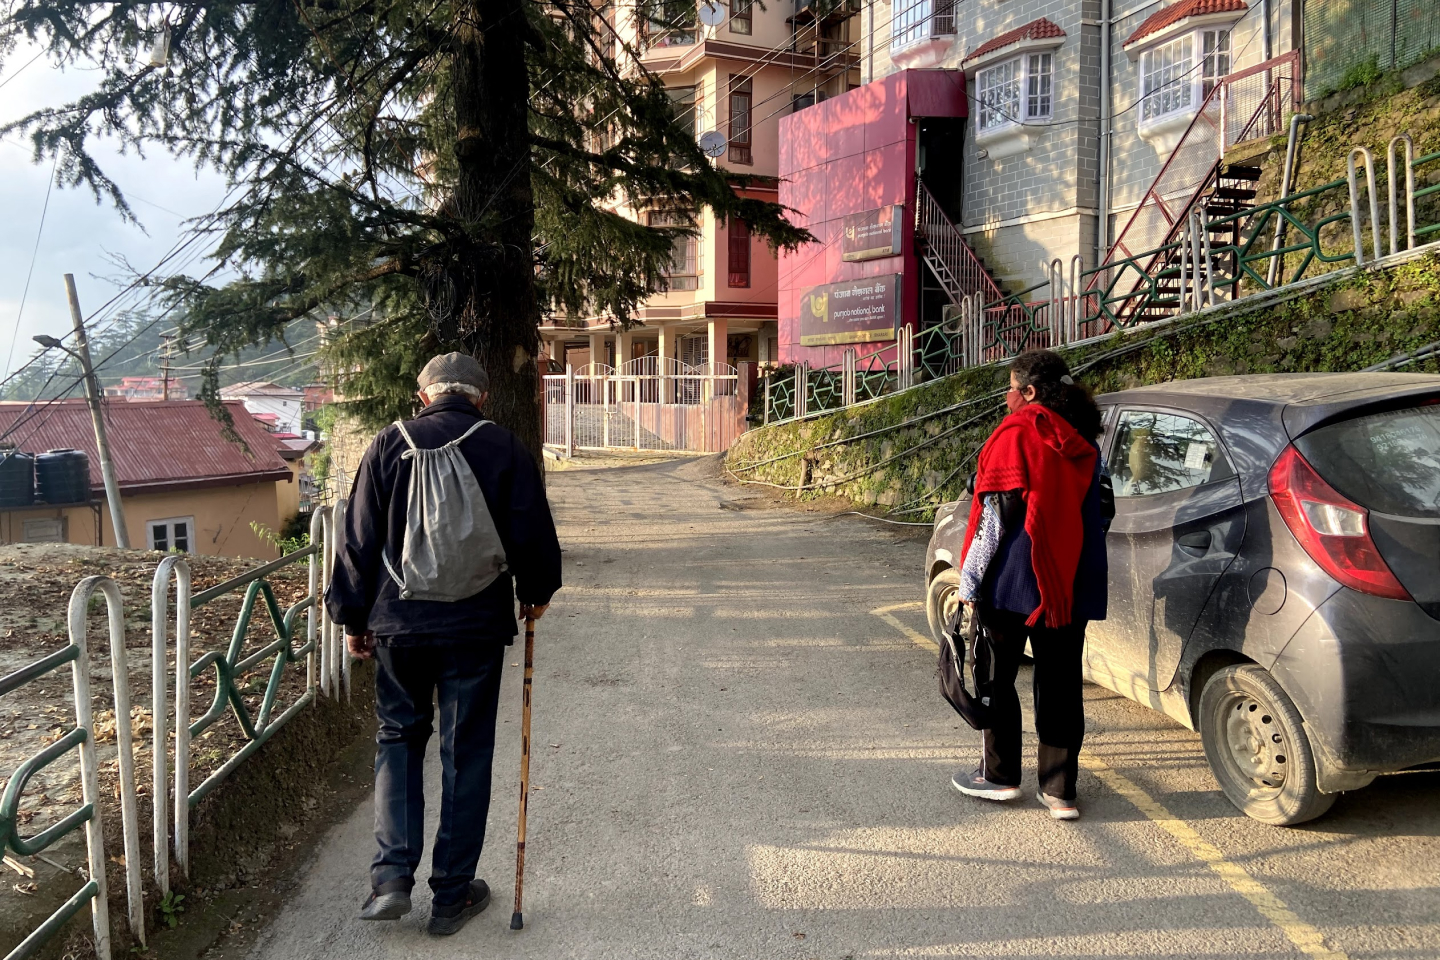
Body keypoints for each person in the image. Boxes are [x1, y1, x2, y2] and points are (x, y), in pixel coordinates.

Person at [325, 352, 562, 935]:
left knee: (398, 740)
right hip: (475, 626)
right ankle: (453, 894)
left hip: (398, 626)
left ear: (422, 395)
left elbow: (358, 539)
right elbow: (532, 529)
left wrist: (354, 619)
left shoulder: (387, 444)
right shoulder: (503, 445)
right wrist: (536, 594)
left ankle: (391, 879)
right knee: (466, 751)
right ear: (482, 397)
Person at [951, 349, 1107, 820]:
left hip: (1011, 582)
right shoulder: (1084, 439)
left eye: (1011, 388)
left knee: (996, 676)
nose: (1006, 397)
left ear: (1031, 393)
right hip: (1067, 584)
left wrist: (970, 581)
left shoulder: (1016, 434)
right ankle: (1060, 790)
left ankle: (999, 776)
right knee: (1060, 683)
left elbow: (993, 521)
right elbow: (1104, 510)